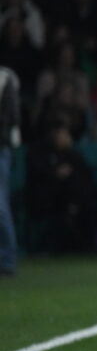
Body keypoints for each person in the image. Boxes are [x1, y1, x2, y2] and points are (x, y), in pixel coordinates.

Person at [0, 66, 20, 276]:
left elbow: (11, 118)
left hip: (0, 149)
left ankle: (7, 259)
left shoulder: (6, 77)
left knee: (0, 205)